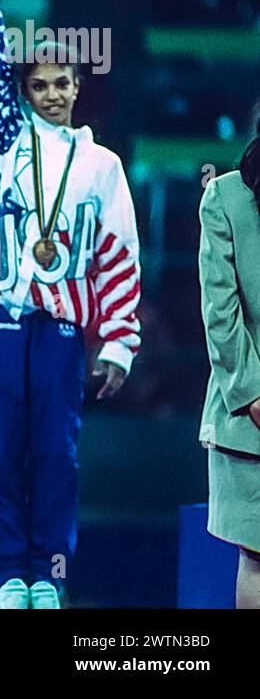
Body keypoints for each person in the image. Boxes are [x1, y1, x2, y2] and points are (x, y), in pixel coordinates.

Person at [0, 0, 142, 609]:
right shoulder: (1, 140)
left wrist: (118, 343)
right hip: (3, 312)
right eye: (41, 86)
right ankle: (9, 572)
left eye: (65, 84)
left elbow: (119, 256)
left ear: (79, 86)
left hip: (64, 322)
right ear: (23, 92)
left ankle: (48, 574)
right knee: (3, 450)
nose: (55, 94)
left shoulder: (102, 167)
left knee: (56, 453)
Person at [197, 114, 260, 609]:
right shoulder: (226, 197)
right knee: (258, 555)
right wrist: (253, 393)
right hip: (249, 416)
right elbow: (221, 313)